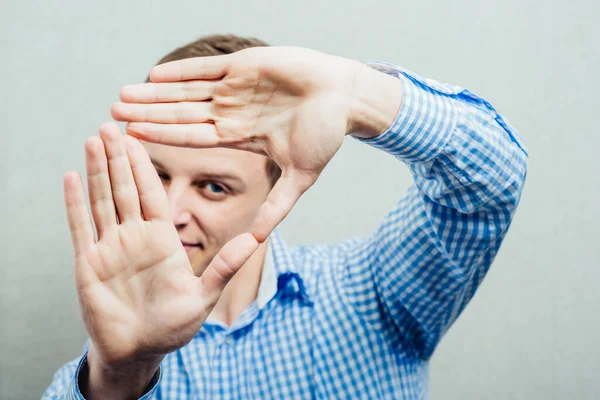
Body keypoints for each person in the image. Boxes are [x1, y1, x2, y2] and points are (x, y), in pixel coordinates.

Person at [43, 34, 528, 399]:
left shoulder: (373, 293)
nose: (170, 214)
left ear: (278, 188)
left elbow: (489, 181)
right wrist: (124, 371)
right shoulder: (97, 376)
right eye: (157, 177)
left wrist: (360, 96)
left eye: (214, 187)